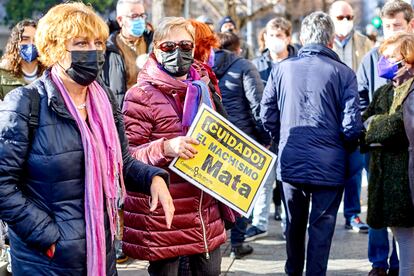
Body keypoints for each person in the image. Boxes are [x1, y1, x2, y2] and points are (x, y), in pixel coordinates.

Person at [0, 3, 174, 275]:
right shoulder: (25, 103)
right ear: (55, 48)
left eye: (98, 42)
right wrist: (46, 235)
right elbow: (2, 183)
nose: (93, 51)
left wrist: (153, 177)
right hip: (46, 261)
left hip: (101, 254)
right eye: (81, 43)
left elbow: (121, 161)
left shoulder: (102, 100)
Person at [122, 17, 227, 276]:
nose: (178, 52)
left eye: (185, 46)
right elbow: (128, 157)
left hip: (204, 210)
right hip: (165, 215)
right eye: (169, 47)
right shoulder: (140, 95)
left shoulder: (204, 88)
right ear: (156, 48)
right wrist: (166, 147)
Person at [261, 12, 362, 275]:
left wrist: (284, 137)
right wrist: (343, 148)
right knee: (321, 230)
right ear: (330, 40)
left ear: (303, 38)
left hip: (291, 159)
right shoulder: (344, 73)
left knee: (293, 226)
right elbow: (352, 126)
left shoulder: (281, 69)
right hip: (330, 165)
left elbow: (266, 114)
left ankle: (292, 271)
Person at [357, 1, 414, 275]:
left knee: (406, 237)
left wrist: (376, 125)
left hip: (405, 169)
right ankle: (380, 263)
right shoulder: (378, 71)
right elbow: (362, 114)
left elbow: (397, 125)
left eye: (397, 26)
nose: (390, 31)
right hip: (382, 165)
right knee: (386, 223)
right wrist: (373, 127)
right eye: (387, 26)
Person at [212, 31, 270, 258]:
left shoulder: (202, 66)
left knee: (216, 191)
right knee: (241, 193)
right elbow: (257, 107)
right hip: (243, 140)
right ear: (238, 49)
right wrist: (265, 139)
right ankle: (236, 244)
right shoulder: (245, 66)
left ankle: (215, 242)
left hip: (214, 138)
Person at [246, 16, 298, 242]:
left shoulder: (299, 62)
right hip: (264, 133)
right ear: (264, 37)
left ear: (288, 37)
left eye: (279, 36)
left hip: (291, 132)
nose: (274, 40)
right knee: (263, 182)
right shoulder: (257, 66)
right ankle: (259, 223)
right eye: (270, 35)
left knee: (289, 182)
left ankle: (291, 224)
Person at [329, 0, 372, 234]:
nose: (345, 22)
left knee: (355, 168)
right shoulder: (324, 43)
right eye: (340, 17)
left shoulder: (364, 43)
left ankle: (353, 214)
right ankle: (327, 213)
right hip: (330, 115)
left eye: (349, 17)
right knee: (331, 167)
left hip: (355, 113)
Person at [101, 0, 153, 108]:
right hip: (122, 113)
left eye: (142, 15)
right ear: (120, 20)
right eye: (134, 16)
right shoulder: (107, 49)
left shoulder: (153, 43)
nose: (140, 20)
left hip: (151, 111)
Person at [0, 19, 43, 100]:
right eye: (25, 39)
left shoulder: (50, 74)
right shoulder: (2, 74)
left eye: (35, 40)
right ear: (16, 43)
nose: (31, 44)